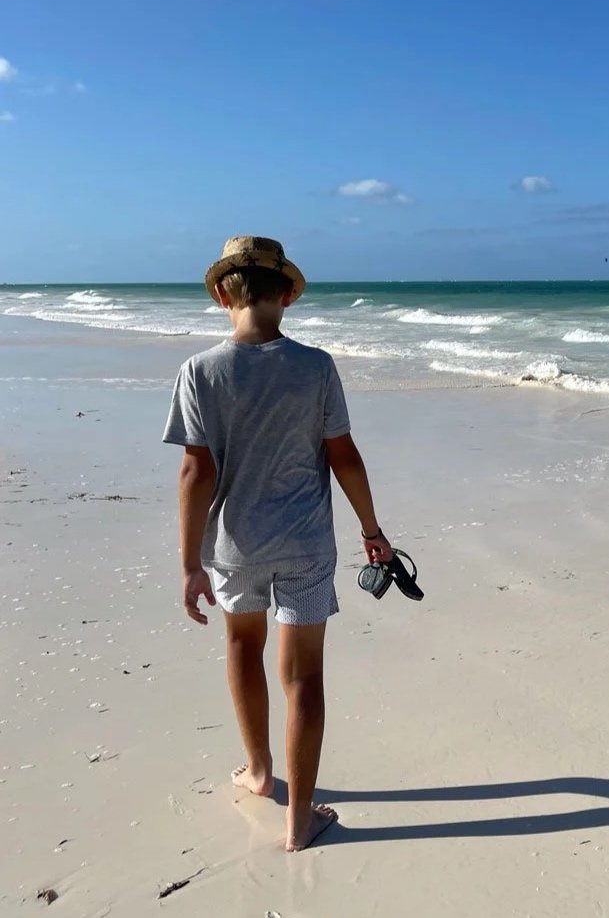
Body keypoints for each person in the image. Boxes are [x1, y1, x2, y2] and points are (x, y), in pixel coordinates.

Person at [163, 236, 393, 851]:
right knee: (305, 678)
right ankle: (300, 822)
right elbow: (342, 454)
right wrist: (373, 532)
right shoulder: (316, 367)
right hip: (307, 542)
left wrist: (190, 563)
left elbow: (196, 472)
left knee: (242, 644)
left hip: (237, 542)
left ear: (220, 296)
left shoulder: (200, 371)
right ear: (288, 295)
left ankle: (261, 773)